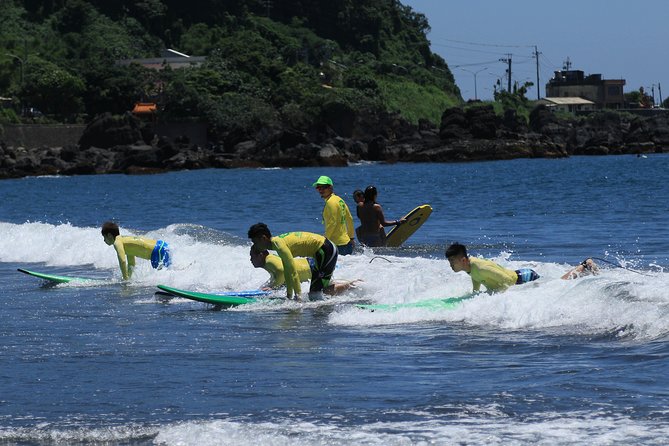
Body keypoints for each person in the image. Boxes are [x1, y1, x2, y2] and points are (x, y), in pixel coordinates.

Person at [248, 222, 338, 300]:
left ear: (263, 238)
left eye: (255, 242)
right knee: (317, 290)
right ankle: (348, 287)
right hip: (323, 251)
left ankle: (350, 288)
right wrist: (289, 296)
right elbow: (287, 272)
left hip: (326, 250)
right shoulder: (277, 245)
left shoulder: (279, 245)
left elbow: (293, 272)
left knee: (314, 294)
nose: (254, 246)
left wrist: (298, 297)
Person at [250, 247, 360, 295]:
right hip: (309, 264)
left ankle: (352, 285)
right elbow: (279, 274)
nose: (251, 259)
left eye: (252, 256)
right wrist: (267, 286)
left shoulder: (268, 261)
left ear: (260, 255)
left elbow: (282, 271)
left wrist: (273, 287)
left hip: (311, 267)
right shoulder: (269, 260)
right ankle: (351, 283)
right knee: (323, 288)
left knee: (320, 293)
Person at [445, 242, 539, 294]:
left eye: (452, 261)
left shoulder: (481, 268)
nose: (450, 264)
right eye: (449, 261)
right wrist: (474, 295)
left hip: (524, 278)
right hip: (517, 279)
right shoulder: (469, 268)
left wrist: (497, 295)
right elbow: (476, 277)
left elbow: (508, 280)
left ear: (463, 260)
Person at [101, 221, 171, 280]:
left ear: (109, 235)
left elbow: (122, 261)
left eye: (104, 237)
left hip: (157, 251)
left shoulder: (117, 242)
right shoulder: (125, 242)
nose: (104, 240)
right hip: (162, 246)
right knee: (167, 273)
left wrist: (125, 279)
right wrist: (128, 277)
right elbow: (131, 263)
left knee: (160, 277)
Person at [313, 175, 355, 255]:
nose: (321, 190)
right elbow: (349, 219)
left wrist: (324, 241)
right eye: (318, 187)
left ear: (330, 188)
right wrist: (351, 237)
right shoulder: (340, 200)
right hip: (346, 243)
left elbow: (333, 223)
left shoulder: (330, 202)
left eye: (323, 187)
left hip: (337, 245)